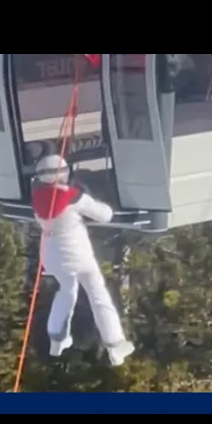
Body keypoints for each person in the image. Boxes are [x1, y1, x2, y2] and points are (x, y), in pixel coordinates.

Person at [31, 154, 135, 366]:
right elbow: (104, 214)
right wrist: (83, 193)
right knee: (98, 295)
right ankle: (115, 345)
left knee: (66, 291)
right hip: (78, 256)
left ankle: (57, 338)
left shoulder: (37, 197)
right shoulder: (72, 196)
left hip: (51, 256)